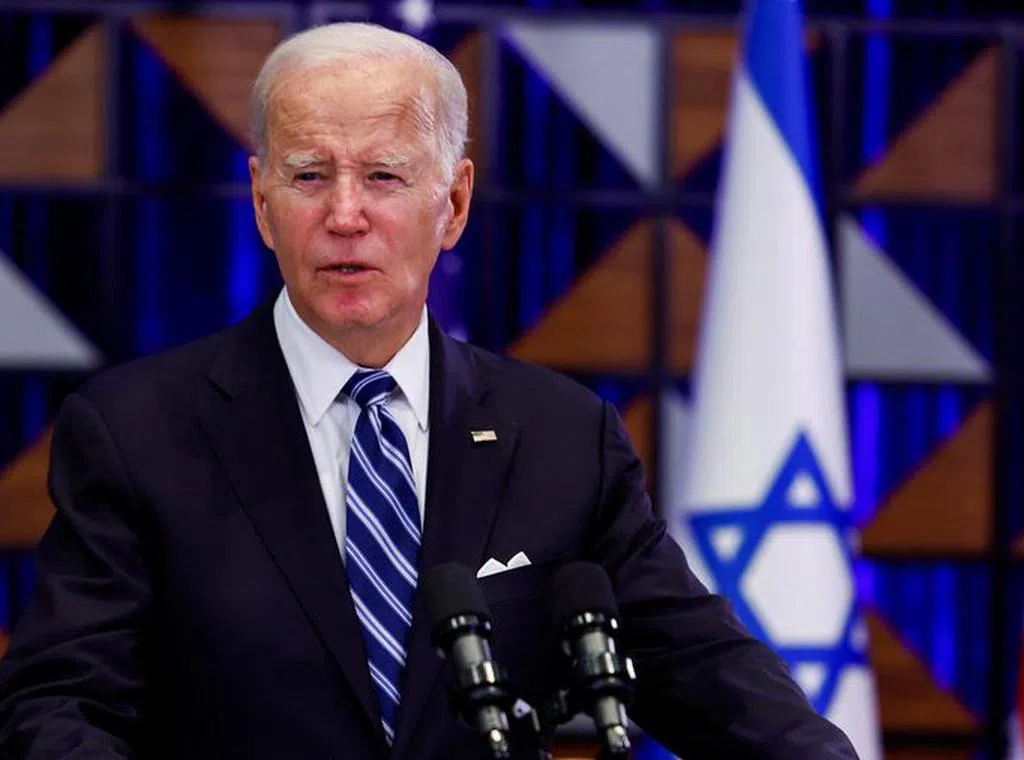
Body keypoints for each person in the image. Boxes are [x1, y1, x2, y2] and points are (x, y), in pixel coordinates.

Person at [0, 22, 859, 760]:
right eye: (309, 177)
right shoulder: (138, 434)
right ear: (262, 202)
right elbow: (59, 704)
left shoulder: (563, 439)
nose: (345, 215)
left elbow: (703, 669)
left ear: (453, 203)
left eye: (383, 176)